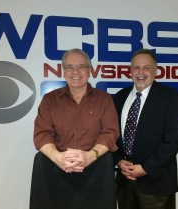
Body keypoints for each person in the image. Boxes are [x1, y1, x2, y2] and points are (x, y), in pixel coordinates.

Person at [30, 48, 119, 209]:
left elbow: (110, 132)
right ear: (64, 72)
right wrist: (58, 157)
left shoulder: (104, 99)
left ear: (89, 70)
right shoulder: (50, 100)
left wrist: (90, 156)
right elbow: (42, 134)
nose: (75, 71)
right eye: (70, 67)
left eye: (81, 66)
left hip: (95, 166)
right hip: (56, 166)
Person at [113, 48, 178, 209]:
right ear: (130, 70)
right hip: (124, 181)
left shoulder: (171, 97)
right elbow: (113, 134)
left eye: (146, 67)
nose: (141, 72)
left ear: (156, 71)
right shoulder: (120, 96)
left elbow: (172, 140)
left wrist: (146, 168)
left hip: (156, 181)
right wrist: (118, 159)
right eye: (136, 67)